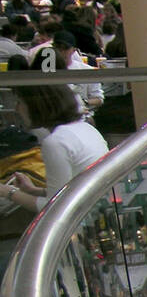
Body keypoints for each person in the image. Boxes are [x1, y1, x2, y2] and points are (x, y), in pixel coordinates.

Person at [0, 84, 108, 214]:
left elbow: (54, 209)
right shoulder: (85, 128)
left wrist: (7, 191)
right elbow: (69, 191)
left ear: (36, 105)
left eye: (20, 102)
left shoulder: (56, 142)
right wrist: (33, 190)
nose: (17, 109)